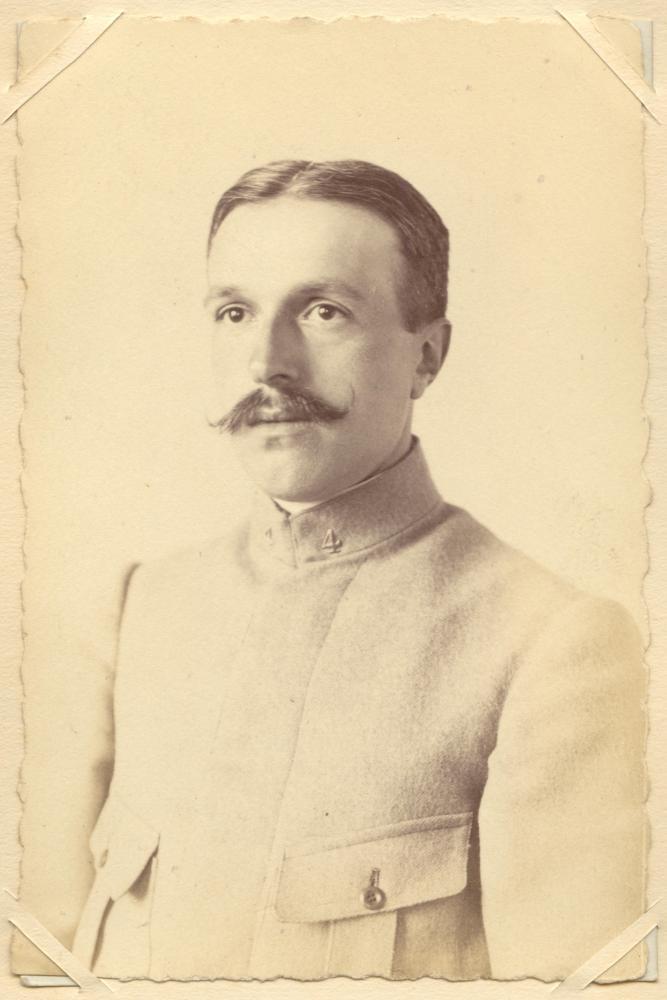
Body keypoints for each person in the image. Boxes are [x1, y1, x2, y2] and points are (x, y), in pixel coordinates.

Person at [72, 160, 646, 982]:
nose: (266, 362)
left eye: (323, 311)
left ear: (427, 356)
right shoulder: (139, 606)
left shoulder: (548, 645)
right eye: (234, 312)